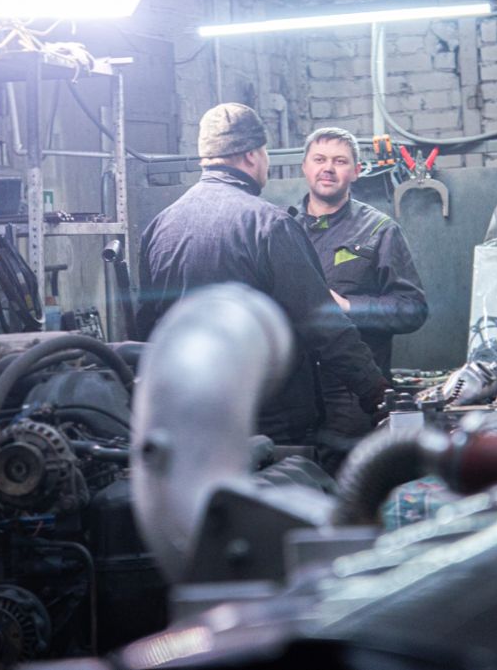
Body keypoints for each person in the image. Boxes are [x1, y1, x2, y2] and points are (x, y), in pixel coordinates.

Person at [138, 103, 388, 445]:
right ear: (252, 155)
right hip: (268, 426)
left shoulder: (159, 227)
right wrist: (377, 394)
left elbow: (148, 328)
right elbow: (324, 326)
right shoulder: (270, 226)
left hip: (188, 423)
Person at [297, 126, 428, 440]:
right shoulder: (282, 229)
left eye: (340, 161)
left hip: (354, 395)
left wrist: (348, 306)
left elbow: (412, 309)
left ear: (356, 171)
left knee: (350, 469)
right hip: (295, 393)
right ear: (305, 167)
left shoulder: (379, 230)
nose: (328, 168)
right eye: (319, 159)